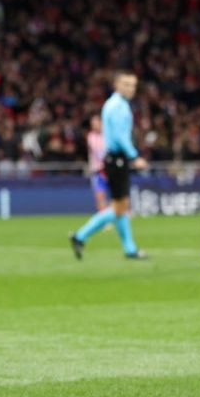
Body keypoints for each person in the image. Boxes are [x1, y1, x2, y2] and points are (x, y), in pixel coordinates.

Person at [69, 71, 148, 260]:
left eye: (133, 85)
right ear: (117, 85)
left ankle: (129, 249)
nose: (131, 89)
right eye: (127, 84)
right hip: (117, 159)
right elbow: (121, 136)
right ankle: (80, 235)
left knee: (120, 205)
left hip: (112, 159)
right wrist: (134, 156)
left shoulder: (111, 105)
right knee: (120, 207)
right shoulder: (119, 106)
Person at [86, 114, 110, 214]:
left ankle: (117, 217)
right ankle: (104, 220)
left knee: (115, 196)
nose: (95, 125)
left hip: (110, 169)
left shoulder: (108, 135)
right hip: (97, 171)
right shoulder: (91, 137)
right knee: (100, 196)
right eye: (93, 124)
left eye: (96, 123)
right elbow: (99, 153)